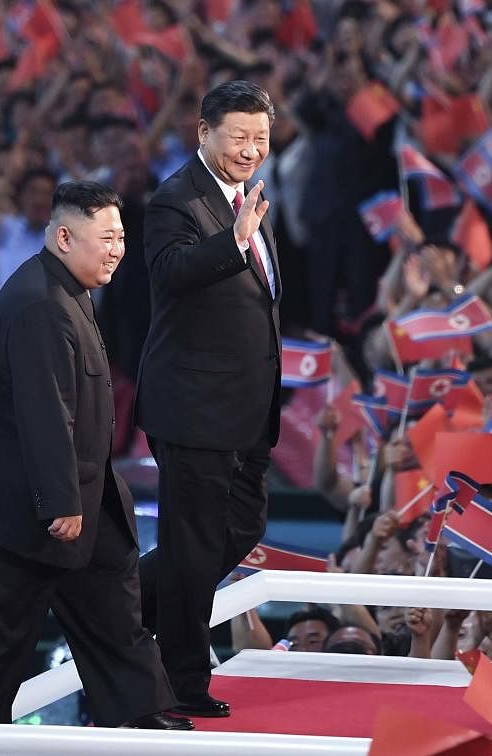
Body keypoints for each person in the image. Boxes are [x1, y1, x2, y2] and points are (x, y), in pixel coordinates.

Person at [0, 182, 187, 743]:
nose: (118, 249)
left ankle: (145, 713)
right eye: (107, 238)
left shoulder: (68, 287)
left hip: (78, 502)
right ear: (64, 237)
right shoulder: (41, 303)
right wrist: (61, 501)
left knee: (114, 613)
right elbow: (44, 410)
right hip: (14, 516)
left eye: (122, 237)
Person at [136, 80, 282, 718]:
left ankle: (122, 600)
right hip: (194, 408)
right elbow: (170, 273)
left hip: (244, 411)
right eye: (239, 137)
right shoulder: (177, 199)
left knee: (242, 527)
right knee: (194, 545)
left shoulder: (244, 197)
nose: (251, 150)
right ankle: (184, 681)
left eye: (261, 139)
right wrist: (234, 240)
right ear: (204, 133)